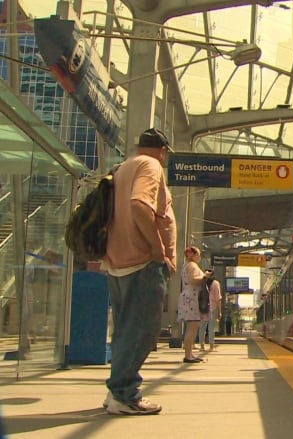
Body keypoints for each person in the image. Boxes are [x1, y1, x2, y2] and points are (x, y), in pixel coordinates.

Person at [102, 128, 176, 415]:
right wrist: (158, 250)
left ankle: (116, 392)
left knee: (125, 331)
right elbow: (139, 205)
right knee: (143, 332)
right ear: (163, 151)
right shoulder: (151, 165)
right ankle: (125, 395)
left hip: (119, 261)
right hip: (141, 263)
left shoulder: (123, 168)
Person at [178, 246, 206, 363]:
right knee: (193, 327)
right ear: (193, 255)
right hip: (192, 297)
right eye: (198, 254)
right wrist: (206, 277)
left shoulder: (186, 265)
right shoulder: (192, 266)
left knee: (192, 327)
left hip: (188, 296)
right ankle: (188, 355)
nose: (199, 257)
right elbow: (193, 279)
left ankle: (190, 353)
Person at [198, 269, 222, 351]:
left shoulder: (201, 283)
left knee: (202, 327)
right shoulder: (215, 283)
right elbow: (218, 298)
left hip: (202, 307)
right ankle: (211, 346)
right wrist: (220, 311)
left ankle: (202, 346)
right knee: (211, 328)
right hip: (212, 308)